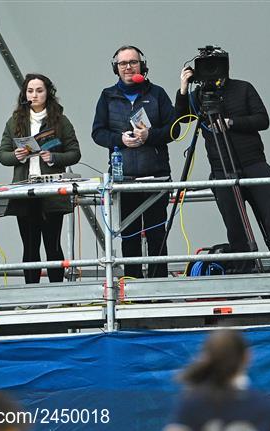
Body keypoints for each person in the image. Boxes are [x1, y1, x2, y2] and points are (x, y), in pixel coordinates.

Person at [174, 51, 270, 273]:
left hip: (254, 163)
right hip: (221, 168)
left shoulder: (243, 88)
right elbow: (182, 117)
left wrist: (232, 122)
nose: (212, 70)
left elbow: (262, 119)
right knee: (234, 226)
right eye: (206, 66)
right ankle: (244, 269)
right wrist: (184, 88)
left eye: (215, 65)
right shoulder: (198, 95)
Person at [92, 45, 179, 278]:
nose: (128, 67)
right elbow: (97, 133)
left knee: (156, 234)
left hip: (156, 176)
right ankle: (131, 286)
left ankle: (158, 287)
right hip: (124, 178)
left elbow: (174, 129)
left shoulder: (157, 93)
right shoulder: (107, 96)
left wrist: (149, 136)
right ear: (115, 68)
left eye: (133, 62)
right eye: (123, 63)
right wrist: (119, 139)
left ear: (142, 65)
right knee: (129, 235)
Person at [0, 74, 81, 284]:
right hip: (24, 190)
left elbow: (75, 153)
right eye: (30, 91)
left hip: (51, 190)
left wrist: (54, 157)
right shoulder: (15, 121)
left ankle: (58, 294)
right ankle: (31, 294)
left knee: (52, 245)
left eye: (39, 91)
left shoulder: (60, 120)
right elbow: (2, 155)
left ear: (48, 93)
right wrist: (15, 155)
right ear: (24, 94)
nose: (34, 95)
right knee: (30, 245)